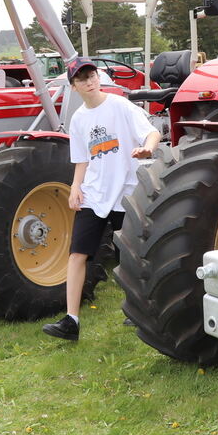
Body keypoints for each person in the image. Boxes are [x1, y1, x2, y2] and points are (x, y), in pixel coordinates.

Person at [42, 58, 160, 341]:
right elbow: (82, 159)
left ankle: (139, 312)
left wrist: (147, 149)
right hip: (94, 194)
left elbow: (152, 132)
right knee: (77, 254)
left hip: (126, 192)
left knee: (131, 257)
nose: (89, 81)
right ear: (74, 86)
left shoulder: (120, 105)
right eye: (82, 78)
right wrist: (75, 187)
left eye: (91, 74)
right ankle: (71, 321)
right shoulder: (79, 119)